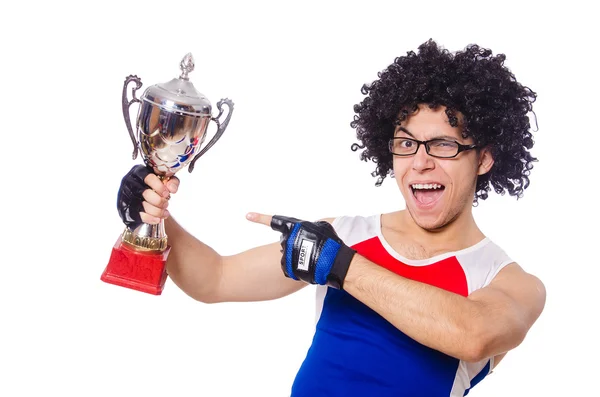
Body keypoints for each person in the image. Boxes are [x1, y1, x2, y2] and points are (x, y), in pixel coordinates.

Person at [116, 39, 546, 396]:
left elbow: (473, 334)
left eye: (443, 145)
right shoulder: (344, 234)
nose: (420, 163)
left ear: (485, 158)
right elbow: (213, 279)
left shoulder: (507, 281)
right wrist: (155, 213)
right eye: (406, 143)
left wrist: (342, 267)